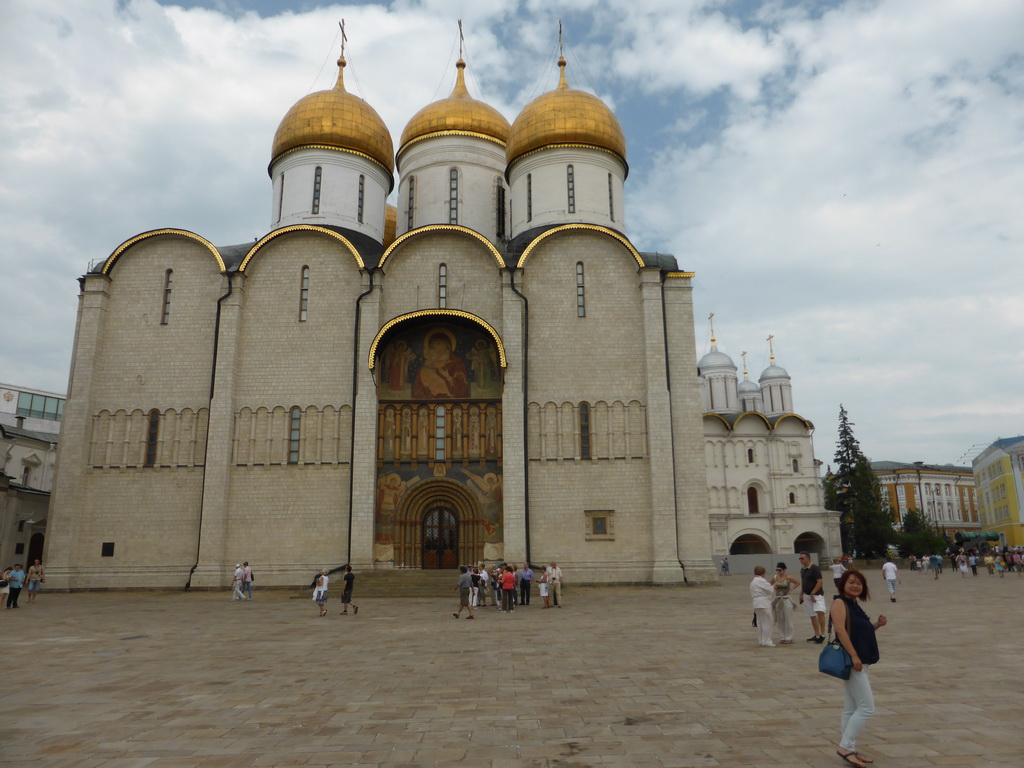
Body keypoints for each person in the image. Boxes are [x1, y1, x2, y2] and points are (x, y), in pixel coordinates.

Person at [831, 569, 888, 767]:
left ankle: (850, 748)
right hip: (852, 661)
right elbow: (840, 630)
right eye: (851, 582)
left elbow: (858, 631)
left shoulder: (854, 605)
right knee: (867, 707)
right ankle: (845, 747)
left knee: (851, 708)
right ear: (843, 584)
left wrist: (877, 625)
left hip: (861, 660)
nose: (855, 586)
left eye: (859, 583)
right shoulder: (839, 603)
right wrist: (854, 655)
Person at [798, 552, 826, 643]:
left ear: (808, 558)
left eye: (802, 558)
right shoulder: (802, 569)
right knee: (812, 615)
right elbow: (804, 582)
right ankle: (816, 634)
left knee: (820, 612)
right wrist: (801, 593)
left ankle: (822, 634)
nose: (801, 560)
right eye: (800, 559)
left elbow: (820, 581)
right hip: (807, 595)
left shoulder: (814, 568)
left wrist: (813, 592)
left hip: (816, 595)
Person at [772, 562, 800, 644]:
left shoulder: (788, 577)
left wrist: (791, 588)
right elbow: (769, 584)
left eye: (780, 570)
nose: (778, 572)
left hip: (786, 598)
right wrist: (773, 587)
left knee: (788, 619)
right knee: (780, 619)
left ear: (784, 570)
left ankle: (789, 637)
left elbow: (797, 583)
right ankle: (782, 636)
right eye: (777, 570)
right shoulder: (775, 577)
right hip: (778, 599)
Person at [750, 566, 775, 647]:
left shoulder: (753, 581)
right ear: (763, 573)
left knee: (760, 622)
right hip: (764, 603)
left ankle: (761, 639)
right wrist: (774, 586)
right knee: (768, 622)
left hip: (756, 603)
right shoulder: (761, 580)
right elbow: (770, 589)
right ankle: (767, 641)